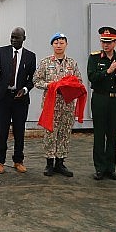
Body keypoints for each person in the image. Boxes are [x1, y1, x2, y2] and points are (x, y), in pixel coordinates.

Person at [0, 27, 36, 174]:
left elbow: (32, 80)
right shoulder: (2, 51)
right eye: (12, 37)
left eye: (17, 38)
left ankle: (18, 161)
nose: (13, 40)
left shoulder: (30, 56)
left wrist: (24, 90)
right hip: (3, 97)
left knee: (19, 130)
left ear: (24, 38)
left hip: (20, 99)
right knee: (2, 131)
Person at [33, 33, 82, 177]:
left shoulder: (72, 63)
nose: (59, 45)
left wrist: (69, 86)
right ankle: (49, 163)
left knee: (64, 133)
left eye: (61, 43)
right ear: (52, 45)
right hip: (51, 104)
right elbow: (36, 81)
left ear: (66, 44)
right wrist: (50, 85)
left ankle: (60, 163)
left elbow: (78, 81)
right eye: (56, 43)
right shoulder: (45, 62)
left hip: (67, 104)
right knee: (50, 133)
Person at [87, 26, 116, 181]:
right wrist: (109, 71)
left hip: (115, 100)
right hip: (100, 98)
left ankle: (110, 168)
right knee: (99, 134)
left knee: (112, 135)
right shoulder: (94, 57)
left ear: (115, 42)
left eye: (109, 42)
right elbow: (92, 77)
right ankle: (99, 168)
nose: (106, 45)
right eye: (103, 42)